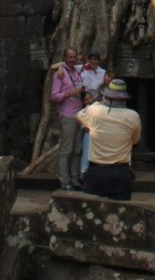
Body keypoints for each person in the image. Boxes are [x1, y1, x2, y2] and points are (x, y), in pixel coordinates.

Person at [77, 78, 141, 201]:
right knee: (121, 213)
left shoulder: (94, 110)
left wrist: (99, 103)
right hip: (120, 172)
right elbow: (135, 141)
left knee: (90, 212)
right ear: (124, 98)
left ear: (106, 96)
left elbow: (79, 116)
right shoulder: (133, 116)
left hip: (96, 171)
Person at [50, 47, 85, 191]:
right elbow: (54, 96)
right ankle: (64, 181)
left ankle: (74, 179)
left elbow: (91, 64)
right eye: (69, 57)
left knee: (77, 149)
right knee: (66, 149)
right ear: (65, 58)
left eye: (74, 57)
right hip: (67, 114)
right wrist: (68, 94)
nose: (72, 59)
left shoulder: (77, 71)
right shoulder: (60, 74)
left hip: (79, 115)